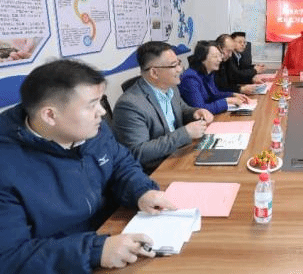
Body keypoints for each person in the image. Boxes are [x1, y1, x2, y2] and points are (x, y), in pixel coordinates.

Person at [0, 59, 176, 272]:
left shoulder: (93, 130)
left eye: (100, 101)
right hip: (70, 260)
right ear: (50, 115)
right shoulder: (7, 166)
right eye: (91, 105)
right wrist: (95, 251)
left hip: (113, 234)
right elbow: (10, 257)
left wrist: (141, 191)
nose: (102, 112)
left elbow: (121, 163)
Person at [112, 41, 213, 173]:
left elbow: (182, 109)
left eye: (179, 62)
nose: (180, 69)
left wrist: (195, 112)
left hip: (180, 155)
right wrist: (185, 133)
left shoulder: (171, 87)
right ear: (154, 73)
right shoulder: (129, 105)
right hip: (157, 170)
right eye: (173, 65)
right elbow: (138, 152)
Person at [179, 40, 249, 113]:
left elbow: (214, 94)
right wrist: (226, 101)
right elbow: (200, 109)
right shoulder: (190, 78)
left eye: (219, 56)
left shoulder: (209, 73)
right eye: (215, 56)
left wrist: (233, 95)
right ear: (202, 58)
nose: (220, 60)